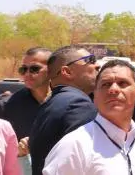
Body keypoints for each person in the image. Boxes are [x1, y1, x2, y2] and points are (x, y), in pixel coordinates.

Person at [42, 60, 135, 174]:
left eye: (122, 83)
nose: (113, 89)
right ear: (95, 95)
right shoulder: (74, 146)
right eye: (106, 84)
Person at [28, 46, 98, 174]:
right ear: (67, 72)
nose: (97, 66)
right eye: (90, 60)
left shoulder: (50, 104)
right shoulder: (78, 105)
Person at [0, 48, 51, 173]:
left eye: (34, 69)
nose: (27, 74)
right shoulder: (6, 106)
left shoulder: (68, 103)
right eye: (23, 69)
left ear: (52, 69)